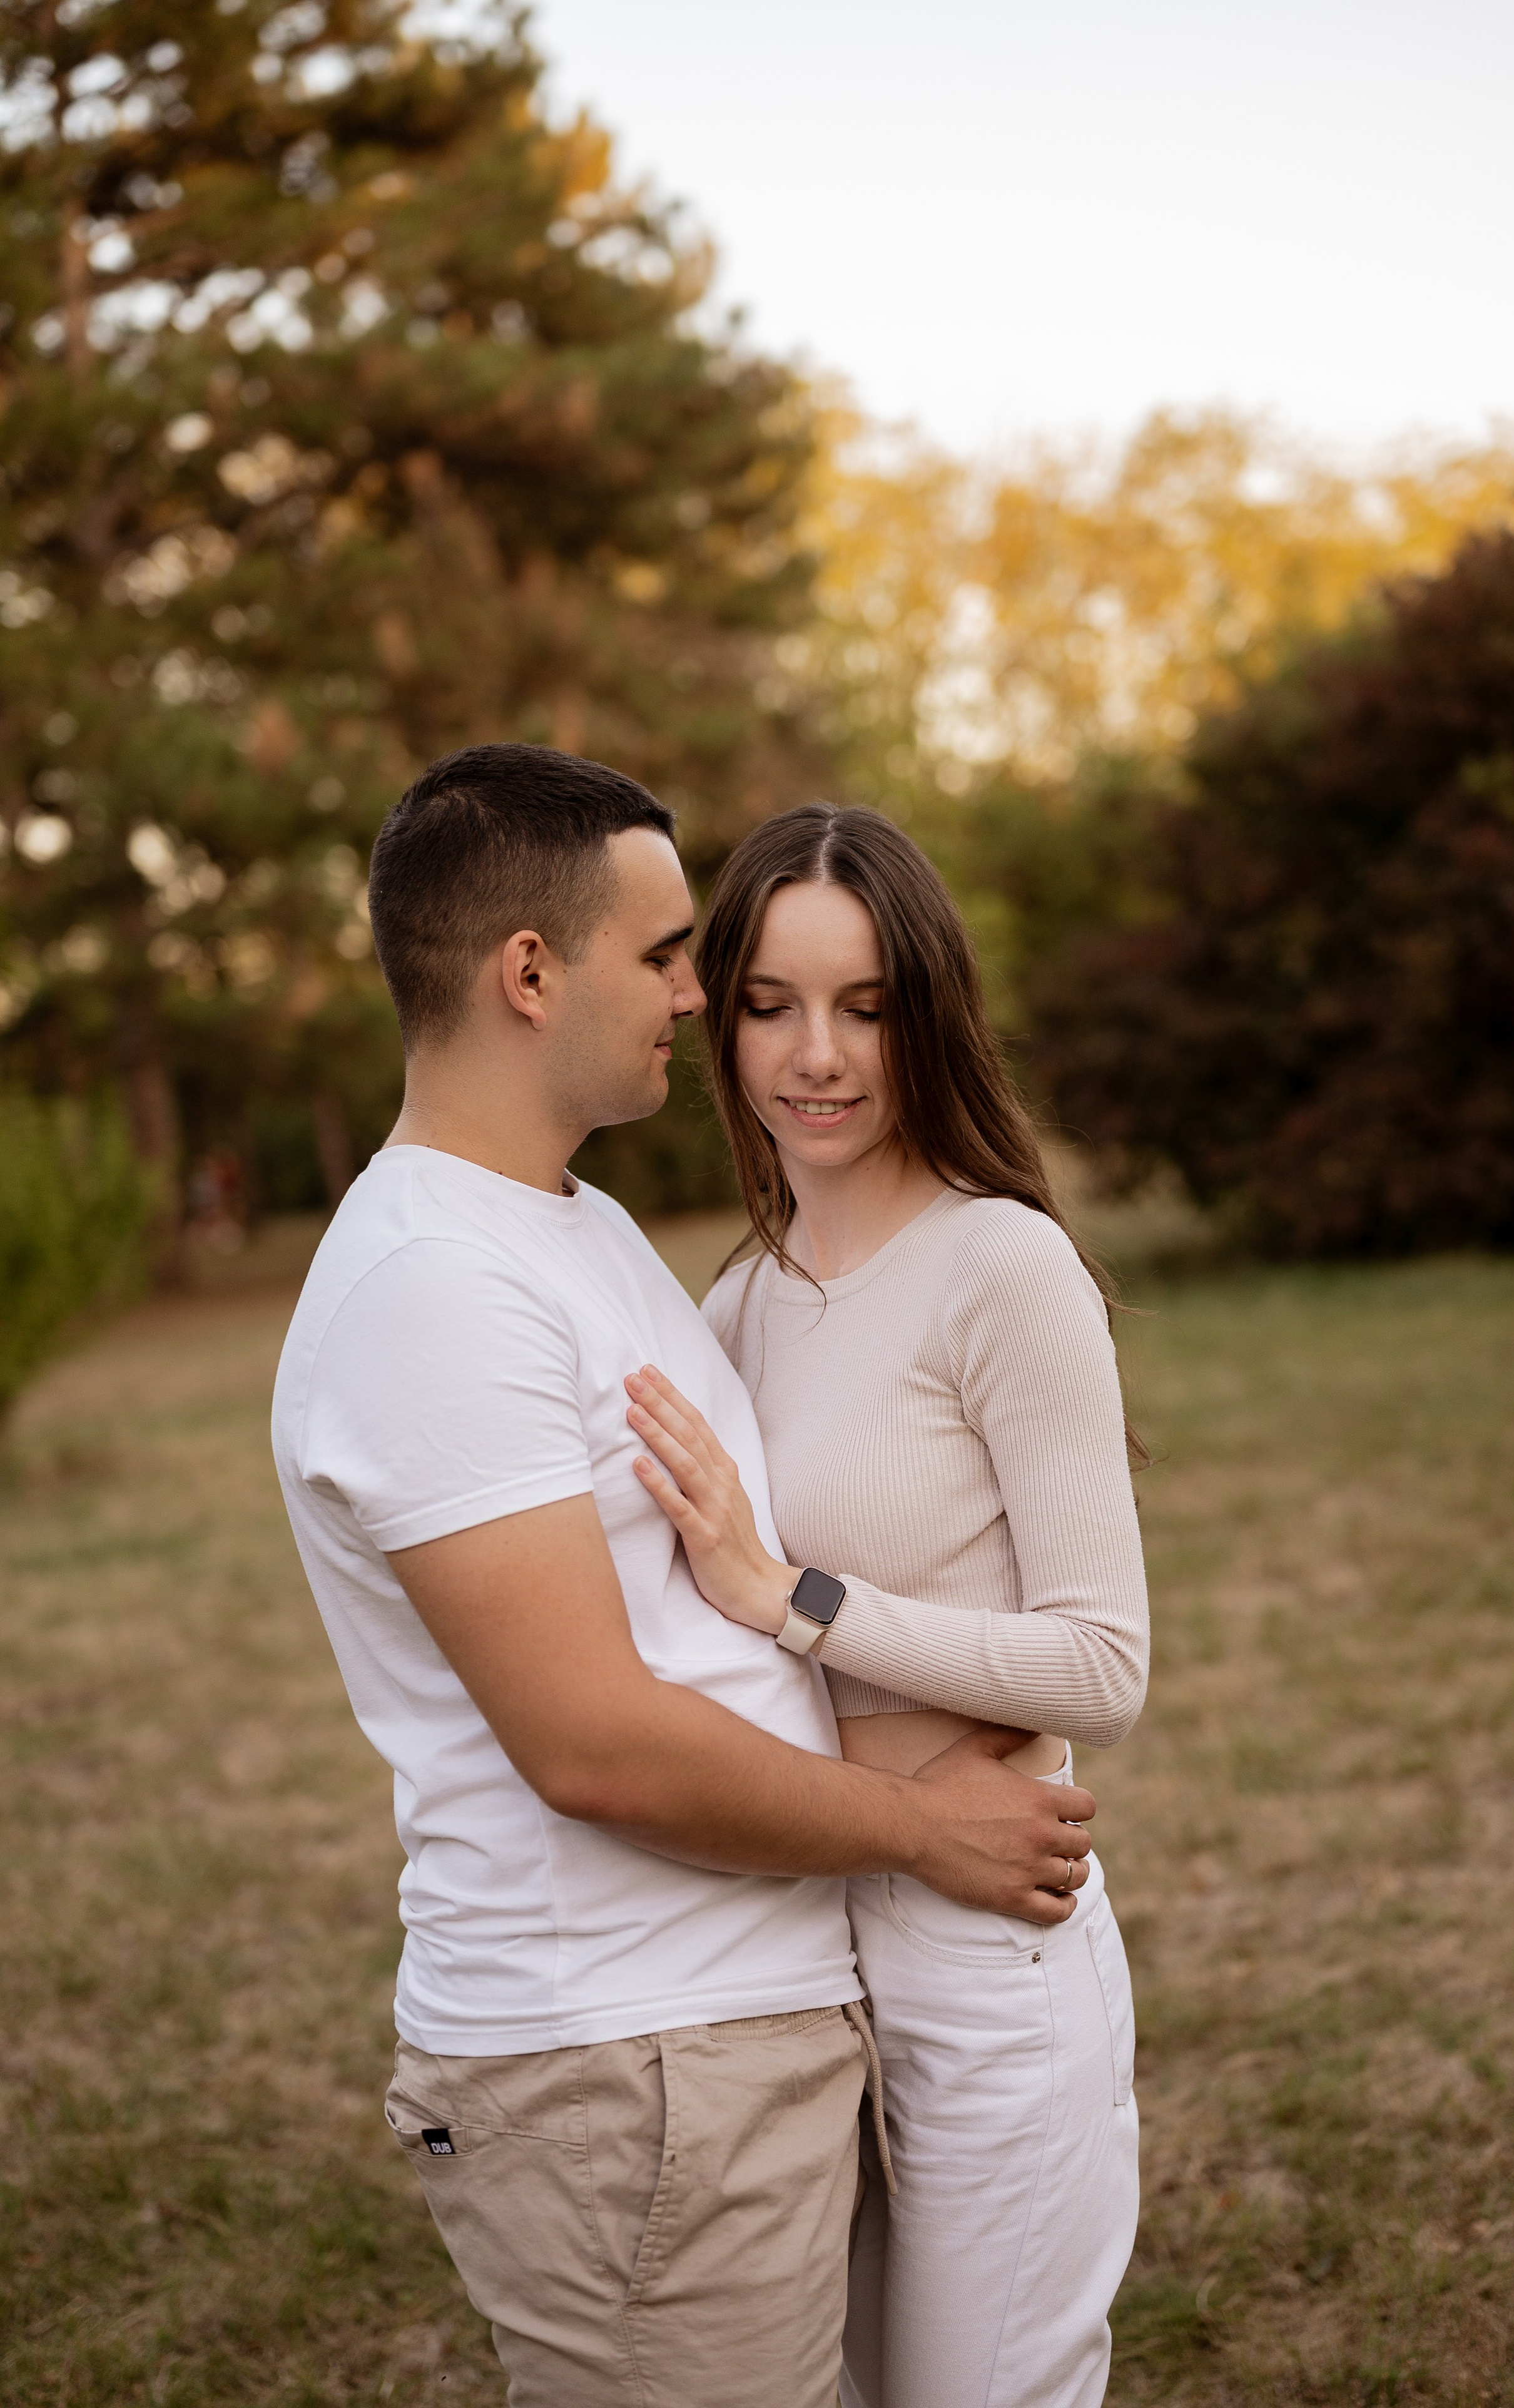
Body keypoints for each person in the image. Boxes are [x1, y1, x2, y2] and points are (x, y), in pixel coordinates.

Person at [270, 746, 1099, 2408]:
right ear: (527, 972)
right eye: (662, 954)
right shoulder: (434, 1283)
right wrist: (928, 1830)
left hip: (728, 2036)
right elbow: (593, 1742)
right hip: (626, 2070)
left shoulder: (569, 1230)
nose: (697, 993)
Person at [619, 802, 1149, 2408]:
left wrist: (796, 1602)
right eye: (772, 1002)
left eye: (864, 1006)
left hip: (992, 1939)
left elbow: (1100, 1660)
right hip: (799, 1951)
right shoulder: (734, 1302)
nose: (818, 1056)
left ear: (927, 1012)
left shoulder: (1002, 1266)